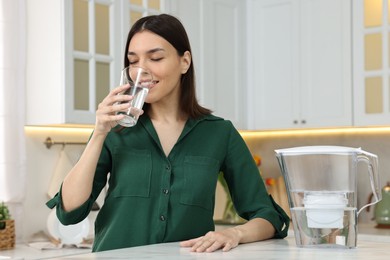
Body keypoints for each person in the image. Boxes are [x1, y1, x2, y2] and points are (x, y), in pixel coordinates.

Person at [47, 13, 289, 253]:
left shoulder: (219, 133)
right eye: (133, 61)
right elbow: (69, 212)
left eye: (155, 58)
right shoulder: (114, 127)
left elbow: (269, 217)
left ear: (184, 61)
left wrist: (234, 233)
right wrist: (99, 132)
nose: (141, 71)